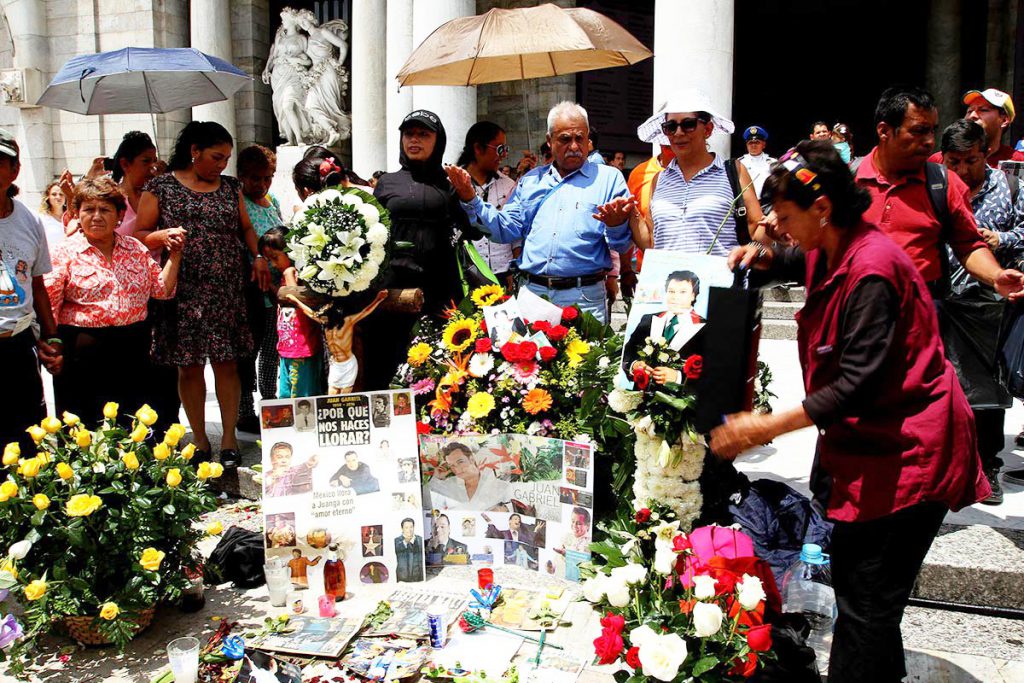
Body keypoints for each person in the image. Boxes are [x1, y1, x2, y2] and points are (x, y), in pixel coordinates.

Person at [710, 141, 990, 683]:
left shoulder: (873, 271)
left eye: (785, 217)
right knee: (867, 604)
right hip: (869, 448)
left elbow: (856, 386)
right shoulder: (829, 245)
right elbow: (792, 256)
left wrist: (766, 424)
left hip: (911, 452)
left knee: (867, 605)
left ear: (822, 208)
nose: (778, 227)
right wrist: (760, 255)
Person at [135, 121, 270, 467]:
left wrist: (257, 256)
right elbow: (139, 234)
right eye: (215, 157)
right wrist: (163, 236)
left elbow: (246, 227)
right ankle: (198, 438)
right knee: (189, 366)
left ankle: (228, 439)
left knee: (228, 364)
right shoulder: (160, 187)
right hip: (183, 288)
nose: (222, 164)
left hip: (226, 287)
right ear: (194, 152)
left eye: (226, 158)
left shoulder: (230, 187)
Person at [448, 102, 634, 324]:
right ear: (549, 141)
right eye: (565, 139)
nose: (574, 146)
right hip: (534, 295)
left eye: (580, 138)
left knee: (588, 359)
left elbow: (621, 245)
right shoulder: (530, 181)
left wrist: (616, 225)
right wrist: (471, 199)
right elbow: (504, 230)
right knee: (527, 359)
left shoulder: (608, 179)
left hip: (584, 297)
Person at [44, 178, 183, 423]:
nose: (96, 216)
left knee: (131, 423)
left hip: (132, 347)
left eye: (105, 209)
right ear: (77, 213)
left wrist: (175, 254)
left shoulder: (135, 249)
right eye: (88, 209)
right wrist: (52, 344)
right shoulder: (62, 252)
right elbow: (49, 304)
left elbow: (162, 290)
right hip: (82, 352)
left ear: (119, 215)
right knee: (85, 425)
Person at [366, 110, 481, 389]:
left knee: (438, 366)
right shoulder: (387, 183)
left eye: (423, 134)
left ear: (437, 140)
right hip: (392, 290)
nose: (414, 140)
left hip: (439, 289)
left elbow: (475, 230)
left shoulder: (451, 182)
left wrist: (467, 194)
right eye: (409, 134)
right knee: (385, 363)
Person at [940, 119, 1022, 503]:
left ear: (985, 153)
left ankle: (987, 467)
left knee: (988, 391)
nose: (961, 170)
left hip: (988, 302)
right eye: (953, 161)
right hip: (941, 299)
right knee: (941, 388)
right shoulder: (934, 185)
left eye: (969, 161)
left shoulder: (1009, 186)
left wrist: (999, 238)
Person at [630, 93, 765, 255]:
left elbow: (757, 228)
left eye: (688, 124)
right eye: (671, 127)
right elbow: (652, 242)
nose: (678, 133)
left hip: (719, 279)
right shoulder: (659, 180)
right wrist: (630, 214)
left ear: (707, 129)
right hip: (669, 279)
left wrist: (770, 228)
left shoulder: (734, 171)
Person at [0, 129, 63, 454]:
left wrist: (51, 338)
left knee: (27, 437)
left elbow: (37, 284)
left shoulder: (29, 221)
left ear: (14, 170)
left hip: (19, 343)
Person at [237, 145, 283, 432]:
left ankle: (269, 402)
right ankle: (245, 408)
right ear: (242, 175)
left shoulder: (272, 200)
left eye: (268, 177)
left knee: (271, 349)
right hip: (251, 287)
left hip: (275, 289)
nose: (262, 184)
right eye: (256, 178)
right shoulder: (239, 201)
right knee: (248, 352)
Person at [258, 230, 324, 398]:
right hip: (288, 350)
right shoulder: (284, 278)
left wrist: (288, 275)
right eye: (269, 259)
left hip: (302, 350)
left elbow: (294, 298)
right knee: (287, 398)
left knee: (302, 400)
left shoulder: (299, 275)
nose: (273, 264)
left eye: (275, 257)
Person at [457, 121, 520, 288]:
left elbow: (515, 235)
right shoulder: (452, 183)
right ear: (478, 148)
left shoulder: (508, 185)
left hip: (503, 275)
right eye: (500, 149)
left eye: (506, 149)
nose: (504, 155)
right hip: (466, 275)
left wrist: (514, 270)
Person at [621, 270, 705, 384]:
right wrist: (634, 365)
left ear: (693, 295)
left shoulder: (705, 328)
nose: (675, 297)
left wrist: (678, 377)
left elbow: (712, 371)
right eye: (671, 291)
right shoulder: (648, 319)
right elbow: (629, 351)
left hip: (681, 398)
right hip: (644, 395)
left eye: (682, 292)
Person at [322, 290, 389, 395]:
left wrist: (378, 299)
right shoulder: (326, 323)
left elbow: (365, 312)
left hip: (348, 364)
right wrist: (296, 301)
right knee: (331, 397)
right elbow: (311, 314)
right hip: (335, 364)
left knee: (344, 398)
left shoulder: (348, 321)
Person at [427, 441, 513, 511]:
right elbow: (429, 508)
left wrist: (504, 510)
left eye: (460, 462)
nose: (457, 468)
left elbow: (517, 510)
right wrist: (436, 478)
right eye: (451, 465)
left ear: (471, 459)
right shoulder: (448, 485)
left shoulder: (501, 486)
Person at [738, 125, 777, 198]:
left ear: (764, 145)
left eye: (757, 142)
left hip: (768, 203)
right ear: (746, 145)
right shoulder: (740, 163)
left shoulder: (773, 162)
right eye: (750, 143)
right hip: (747, 202)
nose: (753, 145)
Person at [38, 180, 67, 250]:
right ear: (48, 197)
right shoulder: (42, 218)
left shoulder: (72, 218)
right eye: (54, 194)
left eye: (61, 194)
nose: (58, 197)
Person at [394, 518, 424, 582]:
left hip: (418, 577)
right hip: (402, 578)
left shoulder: (420, 539)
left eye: (411, 527)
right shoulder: (397, 540)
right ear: (402, 529)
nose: (409, 530)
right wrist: (406, 541)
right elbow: (397, 550)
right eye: (406, 527)